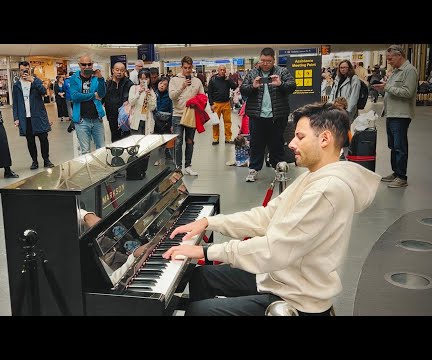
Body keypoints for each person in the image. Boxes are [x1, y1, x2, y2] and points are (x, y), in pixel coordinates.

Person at [162, 102, 381, 316]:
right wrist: (210, 222)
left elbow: (274, 250)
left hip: (299, 298)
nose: (291, 143)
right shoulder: (315, 176)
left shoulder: (327, 189)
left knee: (199, 311)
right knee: (202, 277)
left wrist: (207, 251)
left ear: (325, 139)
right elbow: (266, 217)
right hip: (284, 277)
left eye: (300, 137)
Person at [240, 47, 296, 183]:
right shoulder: (252, 73)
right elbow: (243, 90)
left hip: (277, 116)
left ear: (273, 60)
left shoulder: (282, 72)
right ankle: (253, 170)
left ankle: (279, 170)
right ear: (259, 59)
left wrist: (280, 84)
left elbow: (292, 87)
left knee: (276, 144)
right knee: (256, 144)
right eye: (263, 61)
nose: (265, 63)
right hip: (257, 116)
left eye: (268, 61)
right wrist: (252, 86)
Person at [372, 44, 418, 188]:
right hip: (391, 113)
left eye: (390, 58)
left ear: (400, 55)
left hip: (401, 115)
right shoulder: (396, 71)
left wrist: (387, 87)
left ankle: (402, 177)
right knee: (393, 145)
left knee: (400, 146)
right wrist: (384, 86)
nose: (389, 61)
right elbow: (392, 90)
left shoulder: (409, 71)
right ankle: (396, 172)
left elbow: (408, 92)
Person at [12, 61, 55, 170]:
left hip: (38, 115)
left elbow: (44, 92)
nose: (24, 72)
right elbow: (15, 103)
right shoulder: (17, 85)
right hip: (25, 117)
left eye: (26, 69)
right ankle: (34, 161)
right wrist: (16, 118)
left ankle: (46, 160)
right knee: (30, 141)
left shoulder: (36, 81)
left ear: (30, 69)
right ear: (19, 71)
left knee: (43, 138)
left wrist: (34, 81)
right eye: (22, 70)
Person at [168, 56, 205, 176]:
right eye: (185, 68)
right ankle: (178, 166)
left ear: (192, 67)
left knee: (190, 141)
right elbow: (172, 96)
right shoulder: (174, 80)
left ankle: (188, 165)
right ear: (181, 67)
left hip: (192, 115)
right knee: (178, 142)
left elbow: (203, 97)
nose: (187, 70)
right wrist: (182, 86)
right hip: (178, 114)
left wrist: (197, 102)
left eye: (189, 68)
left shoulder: (197, 81)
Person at [69, 55, 106, 155]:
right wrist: (93, 95)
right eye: (83, 64)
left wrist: (101, 79)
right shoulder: (73, 78)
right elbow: (75, 96)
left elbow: (102, 94)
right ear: (79, 65)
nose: (86, 67)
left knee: (101, 149)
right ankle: (88, 171)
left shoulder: (96, 78)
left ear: (92, 64)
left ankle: (101, 170)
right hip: (82, 120)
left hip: (97, 119)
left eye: (89, 64)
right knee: (85, 151)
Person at [103, 61, 133, 142]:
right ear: (113, 70)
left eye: (122, 70)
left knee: (126, 137)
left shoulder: (128, 83)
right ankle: (116, 153)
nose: (119, 72)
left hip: (125, 116)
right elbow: (102, 98)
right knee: (114, 136)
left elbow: (133, 97)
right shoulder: (107, 84)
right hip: (111, 115)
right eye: (117, 70)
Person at [207, 64, 237, 145]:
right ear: (218, 70)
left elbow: (234, 86)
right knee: (216, 122)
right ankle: (216, 138)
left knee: (228, 122)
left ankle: (228, 138)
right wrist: (211, 104)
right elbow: (209, 93)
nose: (223, 71)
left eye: (224, 70)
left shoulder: (227, 79)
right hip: (216, 104)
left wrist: (229, 79)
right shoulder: (213, 79)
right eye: (221, 70)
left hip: (226, 103)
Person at [128, 68, 157, 135]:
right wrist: (138, 93)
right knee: (136, 143)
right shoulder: (134, 88)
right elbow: (131, 102)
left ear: (150, 79)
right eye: (141, 79)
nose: (143, 81)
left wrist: (149, 96)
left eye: (146, 79)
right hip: (135, 121)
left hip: (147, 121)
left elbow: (152, 108)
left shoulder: (152, 92)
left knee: (146, 143)